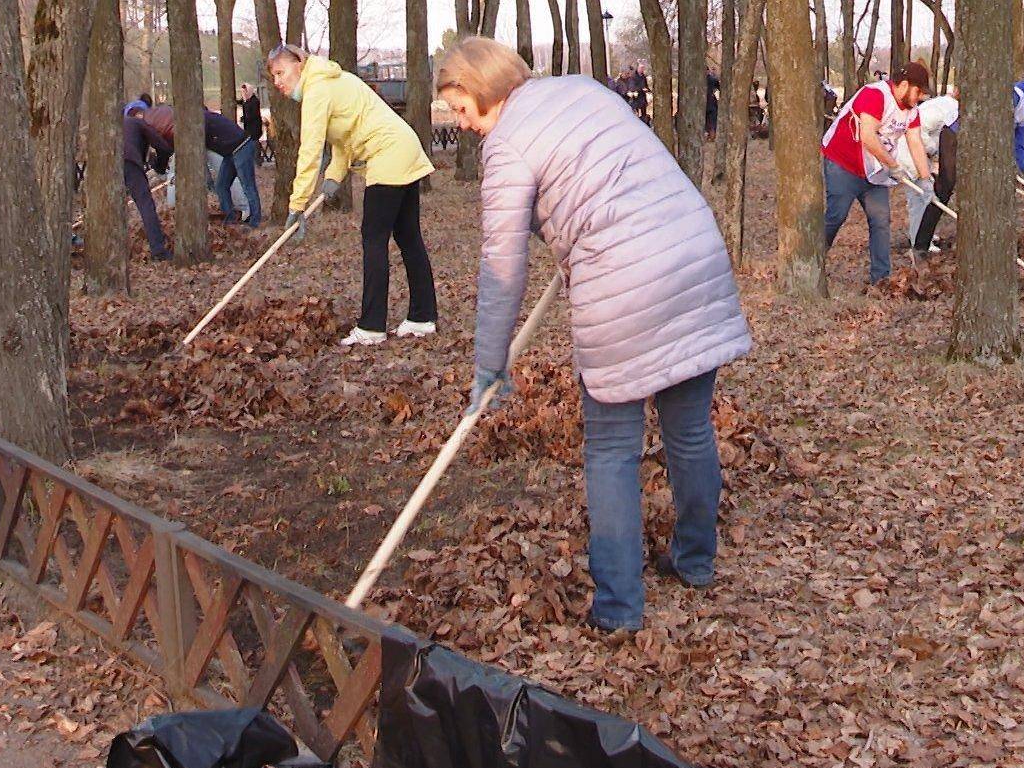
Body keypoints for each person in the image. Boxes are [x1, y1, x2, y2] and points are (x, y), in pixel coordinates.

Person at [439, 37, 752, 633]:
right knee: (689, 429)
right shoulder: (583, 89)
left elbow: (501, 266)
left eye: (460, 108)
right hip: (693, 252)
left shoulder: (507, 147)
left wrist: (489, 363)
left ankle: (618, 609)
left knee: (611, 449)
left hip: (626, 285)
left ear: (484, 88)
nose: (463, 124)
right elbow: (614, 175)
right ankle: (695, 561)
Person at [267, 43, 437, 347]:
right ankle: (422, 317)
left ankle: (372, 326)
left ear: (299, 64)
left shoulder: (317, 89)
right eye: (274, 77)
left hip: (388, 153)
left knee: (373, 238)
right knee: (408, 236)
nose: (278, 81)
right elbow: (346, 136)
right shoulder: (330, 80)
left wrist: (297, 204)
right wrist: (333, 177)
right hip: (402, 147)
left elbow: (310, 150)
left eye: (281, 72)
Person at [820, 60, 931, 284]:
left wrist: (925, 179)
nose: (919, 97)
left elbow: (915, 141)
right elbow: (868, 137)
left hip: (875, 170)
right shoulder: (875, 95)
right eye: (918, 91)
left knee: (880, 220)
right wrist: (893, 166)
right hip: (844, 163)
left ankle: (881, 279)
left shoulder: (912, 111)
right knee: (836, 215)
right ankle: (814, 259)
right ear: (905, 85)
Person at [898, 91, 960, 251]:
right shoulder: (948, 108)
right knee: (919, 198)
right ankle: (917, 242)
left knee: (926, 195)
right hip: (910, 152)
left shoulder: (947, 105)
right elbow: (920, 130)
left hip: (921, 154)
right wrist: (932, 151)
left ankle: (925, 235)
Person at [122, 106, 174, 260]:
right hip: (129, 161)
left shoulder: (116, 124)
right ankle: (158, 250)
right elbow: (162, 146)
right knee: (145, 204)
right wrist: (160, 167)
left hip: (106, 163)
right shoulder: (139, 123)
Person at [203, 105, 259, 226]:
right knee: (221, 185)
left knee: (248, 185)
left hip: (241, 146)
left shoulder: (203, 120)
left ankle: (255, 221)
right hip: (230, 151)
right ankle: (230, 218)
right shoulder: (208, 119)